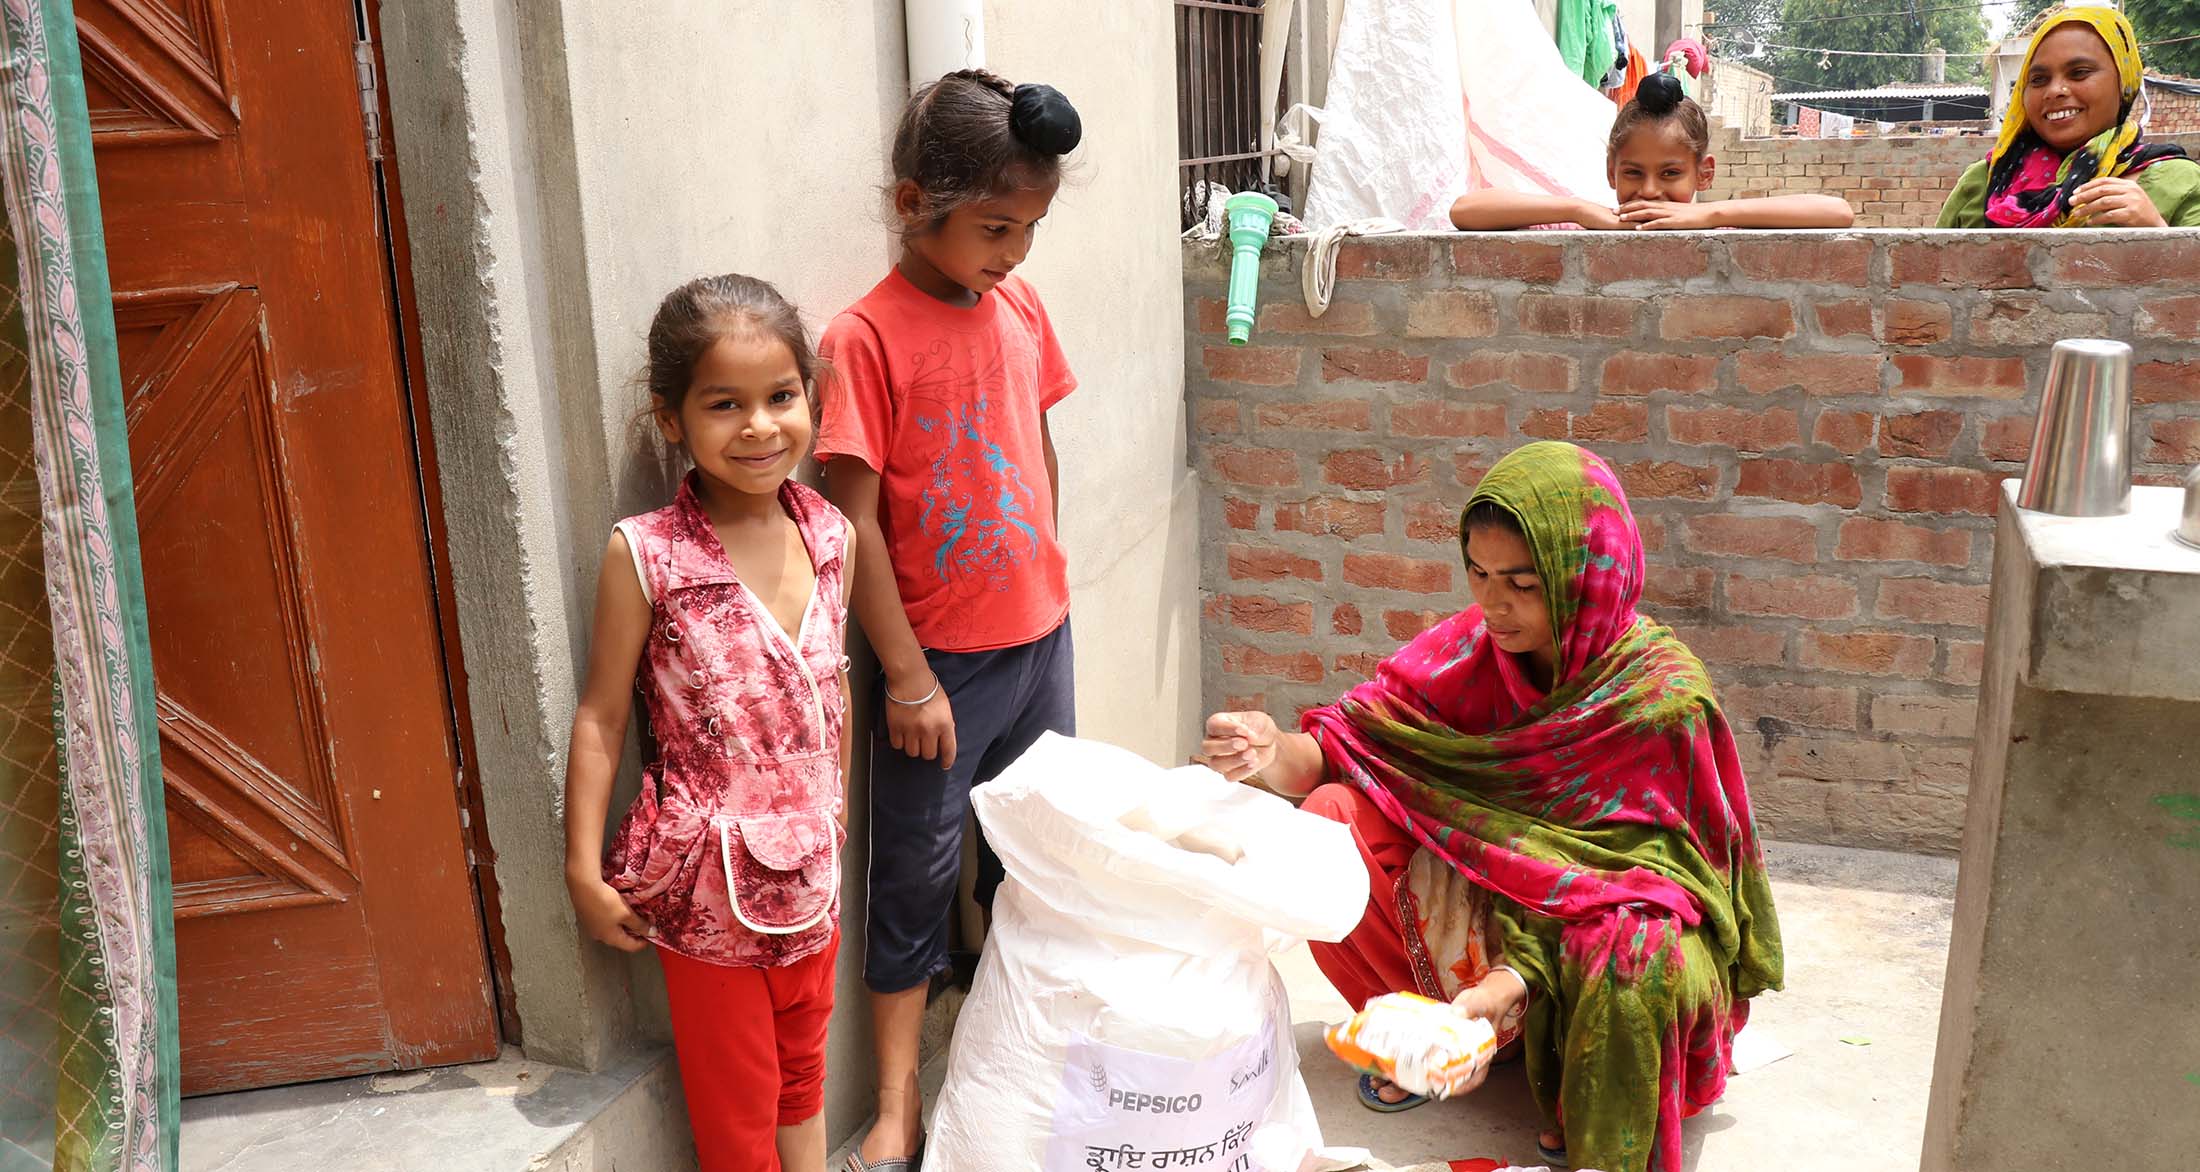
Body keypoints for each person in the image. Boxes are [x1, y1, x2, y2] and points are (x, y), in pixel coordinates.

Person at [1196, 441, 1784, 1172]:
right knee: (1326, 821)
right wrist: (1267, 747)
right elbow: (1342, 748)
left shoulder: (1658, 703)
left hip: (1592, 936)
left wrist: (1512, 981)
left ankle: (1580, 1082)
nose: (1492, 604)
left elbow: (1664, 889)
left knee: (1633, 957)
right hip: (1491, 918)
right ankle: (1446, 1037)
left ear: (1586, 581)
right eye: (1477, 573)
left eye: (1523, 583)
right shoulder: (1467, 658)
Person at [817, 69, 1083, 1172]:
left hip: (1040, 639)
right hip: (942, 666)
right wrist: (907, 674)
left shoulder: (1017, 304)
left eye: (1027, 228)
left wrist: (1048, 579)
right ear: (910, 200)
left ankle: (1026, 1063)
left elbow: (1039, 441)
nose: (1013, 251)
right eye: (993, 226)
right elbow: (854, 524)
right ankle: (895, 1103)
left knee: (1035, 858)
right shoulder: (864, 337)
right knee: (914, 883)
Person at [564, 275, 854, 1172]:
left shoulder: (831, 534)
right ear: (672, 418)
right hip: (707, 898)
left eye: (781, 398)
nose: (761, 427)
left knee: (803, 1082)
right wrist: (581, 868)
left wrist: (833, 825)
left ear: (810, 397)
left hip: (813, 881)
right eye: (726, 405)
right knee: (738, 1124)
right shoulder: (647, 555)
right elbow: (603, 717)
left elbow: (830, 702)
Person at [1450, 72, 1854, 230]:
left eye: (1670, 173)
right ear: (1611, 170)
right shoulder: (1600, 222)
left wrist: (1709, 214)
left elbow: (1837, 212)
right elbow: (1465, 211)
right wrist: (1576, 210)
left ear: (1704, 173)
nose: (1649, 191)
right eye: (1632, 172)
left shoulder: (1720, 224)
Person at [1939, 7, 2200, 228]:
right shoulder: (1983, 181)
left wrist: (2159, 232)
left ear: (2124, 83)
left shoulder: (2179, 182)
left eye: (2079, 73)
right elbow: (1923, 279)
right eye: (2039, 79)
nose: (2054, 91)